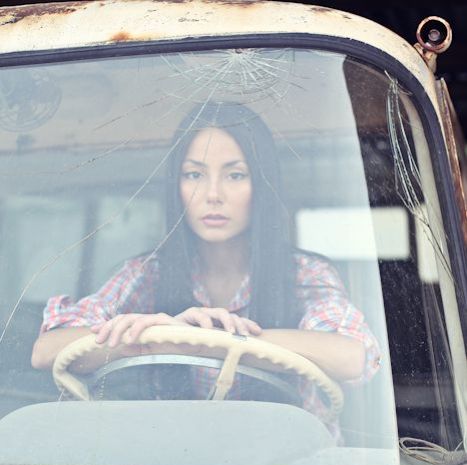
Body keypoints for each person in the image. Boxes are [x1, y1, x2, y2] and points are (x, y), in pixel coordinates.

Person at [31, 102, 380, 433]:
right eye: (195, 174)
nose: (213, 194)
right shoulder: (149, 272)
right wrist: (160, 338)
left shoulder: (304, 274)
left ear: (262, 184)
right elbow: (47, 350)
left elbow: (351, 356)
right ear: (177, 186)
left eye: (235, 175)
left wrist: (212, 343)